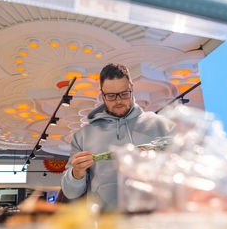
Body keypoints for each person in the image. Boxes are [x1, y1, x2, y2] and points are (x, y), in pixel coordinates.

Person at [61, 63, 174, 210]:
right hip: (106, 227)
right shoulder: (83, 136)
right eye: (111, 96)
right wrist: (76, 174)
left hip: (156, 223)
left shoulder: (163, 126)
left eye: (124, 94)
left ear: (132, 89)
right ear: (102, 95)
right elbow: (70, 193)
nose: (119, 101)